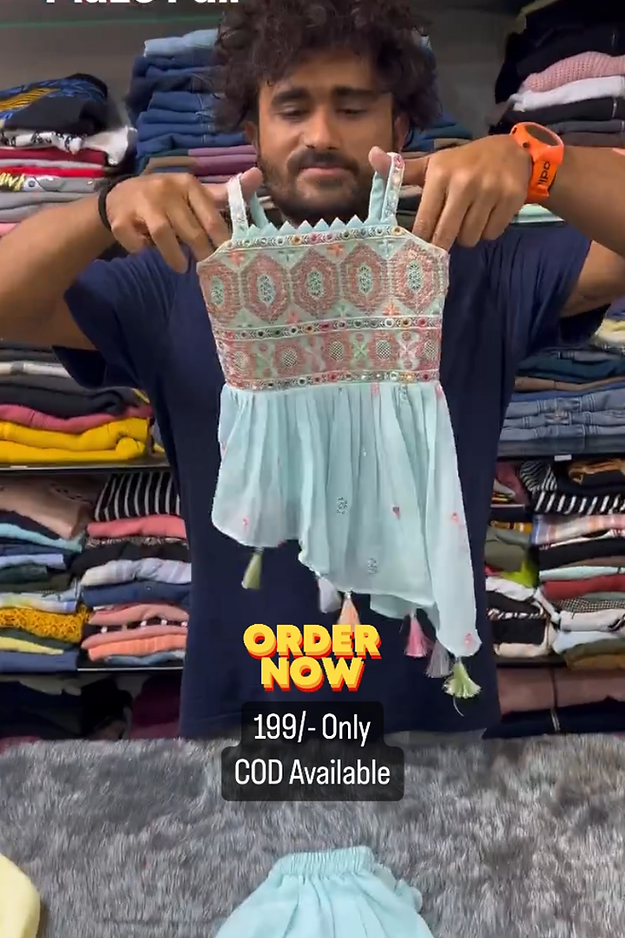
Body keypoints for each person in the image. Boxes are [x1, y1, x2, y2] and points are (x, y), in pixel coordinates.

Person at [2, 0, 625, 742]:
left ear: (399, 128)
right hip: (245, 724)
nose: (322, 134)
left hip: (434, 719)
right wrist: (104, 210)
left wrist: (539, 163)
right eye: (292, 108)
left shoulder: (475, 265)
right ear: (253, 133)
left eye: (352, 107)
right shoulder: (175, 277)